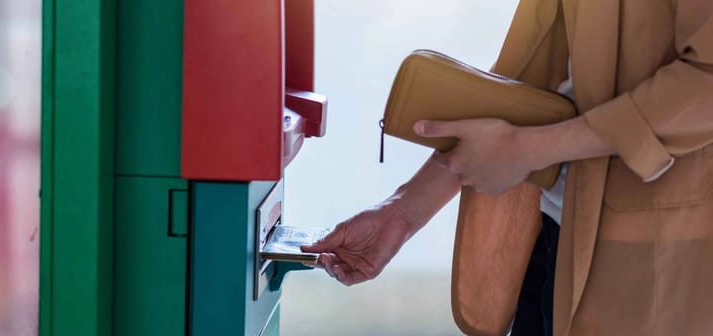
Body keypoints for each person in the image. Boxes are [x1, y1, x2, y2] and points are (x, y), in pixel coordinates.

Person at [302, 0, 713, 335]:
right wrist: (403, 212)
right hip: (552, 238)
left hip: (652, 266)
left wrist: (532, 149)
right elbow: (538, 73)